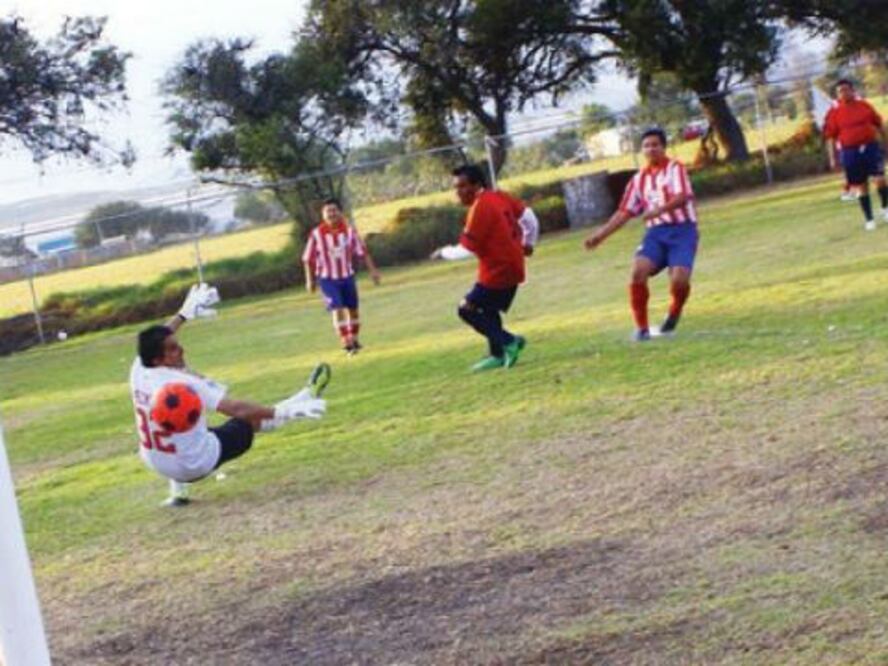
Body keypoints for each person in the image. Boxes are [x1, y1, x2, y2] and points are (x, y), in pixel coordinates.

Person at [129, 283, 329, 505]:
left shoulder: (138, 367)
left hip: (156, 461)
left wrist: (183, 315)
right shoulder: (183, 383)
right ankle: (301, 400)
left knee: (183, 429)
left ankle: (178, 493)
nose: (181, 349)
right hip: (196, 464)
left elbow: (159, 338)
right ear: (158, 359)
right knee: (247, 422)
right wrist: (284, 411)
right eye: (174, 349)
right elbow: (237, 409)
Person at [584, 127, 698, 341]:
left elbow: (682, 196)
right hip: (656, 233)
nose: (651, 149)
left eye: (655, 144)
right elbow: (624, 212)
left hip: (683, 231)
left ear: (663, 147)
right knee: (638, 271)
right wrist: (600, 235)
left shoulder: (676, 169)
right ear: (641, 150)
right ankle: (642, 328)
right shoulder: (638, 180)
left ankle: (674, 312)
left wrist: (659, 210)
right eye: (646, 145)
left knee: (679, 279)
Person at [448, 164, 539, 371]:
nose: (458, 193)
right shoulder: (498, 196)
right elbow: (530, 219)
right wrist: (528, 244)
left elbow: (466, 249)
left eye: (462, 186)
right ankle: (497, 355)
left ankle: (509, 341)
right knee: (488, 309)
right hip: (511, 266)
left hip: (499, 270)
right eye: (455, 188)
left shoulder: (480, 208)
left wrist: (442, 253)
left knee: (465, 309)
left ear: (477, 185)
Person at [303, 198, 381, 355]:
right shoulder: (317, 234)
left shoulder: (349, 231)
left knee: (353, 310)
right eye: (328, 211)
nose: (331, 214)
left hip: (347, 276)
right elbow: (307, 258)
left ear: (339, 212)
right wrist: (310, 280)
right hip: (327, 278)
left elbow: (362, 252)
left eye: (334, 210)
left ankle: (355, 338)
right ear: (323, 214)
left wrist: (373, 271)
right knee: (337, 307)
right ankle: (346, 341)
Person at [823, 79, 888, 231]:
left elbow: (879, 124)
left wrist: (885, 142)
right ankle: (869, 219)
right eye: (840, 91)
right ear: (837, 95)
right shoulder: (834, 112)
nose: (844, 93)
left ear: (852, 90)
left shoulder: (864, 106)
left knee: (880, 179)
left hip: (870, 147)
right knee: (861, 186)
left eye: (846, 90)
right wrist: (833, 158)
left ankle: (885, 208)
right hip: (850, 152)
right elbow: (830, 137)